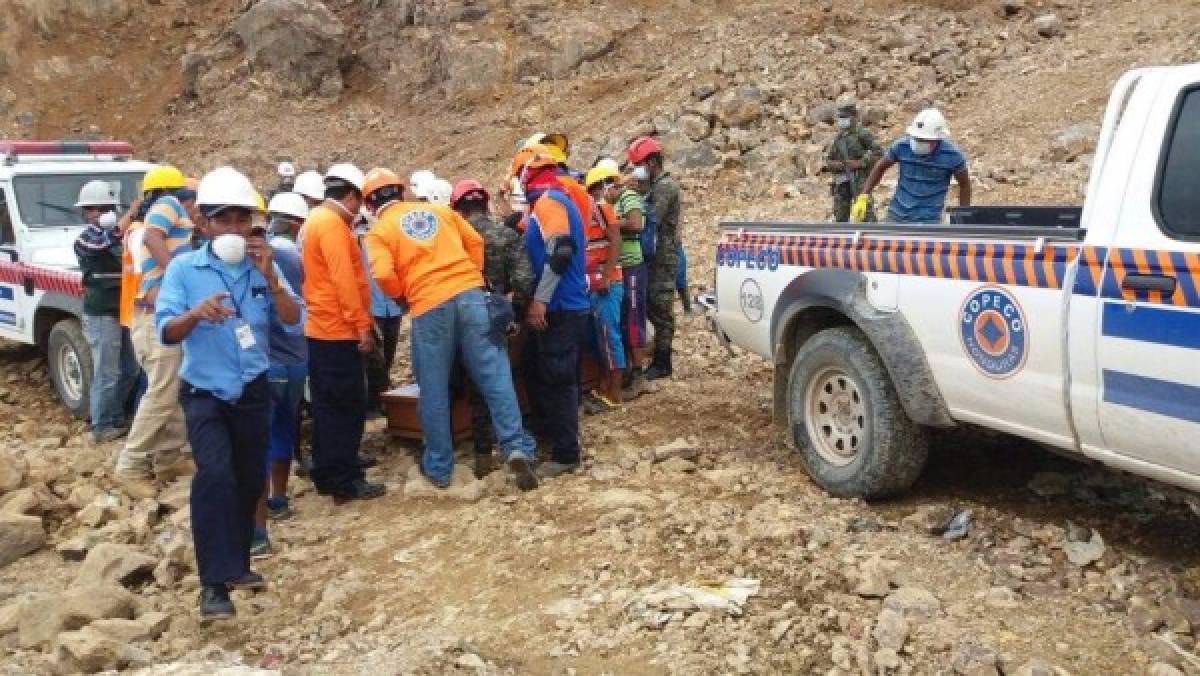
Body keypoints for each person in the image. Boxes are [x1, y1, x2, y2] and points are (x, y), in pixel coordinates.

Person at [155, 166, 304, 619]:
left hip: (253, 389)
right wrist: (196, 314)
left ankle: (238, 564)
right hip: (206, 393)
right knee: (213, 478)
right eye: (225, 219)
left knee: (247, 478)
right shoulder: (184, 269)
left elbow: (291, 318)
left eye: (243, 220)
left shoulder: (263, 266)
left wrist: (273, 278)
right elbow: (166, 330)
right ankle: (212, 584)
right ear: (203, 223)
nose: (236, 229)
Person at [363, 168, 539, 491]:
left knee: (433, 388)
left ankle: (440, 467)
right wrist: (470, 276)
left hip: (429, 304)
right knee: (495, 375)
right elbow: (475, 242)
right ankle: (517, 447)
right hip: (471, 294)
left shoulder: (378, 233)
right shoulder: (440, 211)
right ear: (401, 193)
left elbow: (385, 276)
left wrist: (404, 294)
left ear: (371, 205)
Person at [300, 163, 386, 503]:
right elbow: (344, 281)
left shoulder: (316, 221)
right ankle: (344, 478)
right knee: (345, 406)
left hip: (324, 328)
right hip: (337, 329)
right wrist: (361, 326)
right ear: (350, 196)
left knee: (328, 404)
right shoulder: (332, 226)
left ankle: (330, 467)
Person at [114, 165, 197, 498]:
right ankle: (130, 465)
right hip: (154, 319)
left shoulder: (140, 224)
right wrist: (180, 273)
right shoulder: (169, 206)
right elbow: (154, 237)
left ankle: (169, 458)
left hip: (147, 318)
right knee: (161, 395)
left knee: (169, 389)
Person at [450, 179, 534, 478]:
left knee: (475, 385)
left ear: (457, 210)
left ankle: (483, 454)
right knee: (506, 381)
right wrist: (511, 307)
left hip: (464, 317)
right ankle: (517, 444)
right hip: (502, 318)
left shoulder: (453, 241)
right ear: (485, 204)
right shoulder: (506, 235)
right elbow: (525, 280)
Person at [518, 153, 590, 479]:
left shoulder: (549, 203)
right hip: (565, 304)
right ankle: (552, 436)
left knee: (559, 379)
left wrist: (540, 301)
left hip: (560, 307)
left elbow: (560, 251)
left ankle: (565, 454)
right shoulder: (555, 201)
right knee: (543, 371)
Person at [249, 192, 310, 559]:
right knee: (282, 429)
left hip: (273, 362)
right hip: (289, 358)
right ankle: (278, 500)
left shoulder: (274, 261)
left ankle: (259, 524)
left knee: (267, 434)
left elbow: (292, 314)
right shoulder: (283, 256)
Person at [74, 180, 137, 442]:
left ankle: (116, 415)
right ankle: (101, 426)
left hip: (121, 310)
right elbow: (102, 242)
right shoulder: (86, 238)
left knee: (130, 368)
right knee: (106, 372)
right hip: (101, 314)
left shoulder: (122, 238)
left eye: (106, 208)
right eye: (95, 209)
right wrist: (130, 213)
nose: (101, 214)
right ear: (86, 213)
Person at [627, 136, 683, 381]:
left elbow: (651, 217)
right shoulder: (653, 186)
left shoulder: (665, 187)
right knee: (650, 304)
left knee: (661, 308)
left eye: (639, 164)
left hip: (663, 258)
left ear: (651, 163)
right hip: (653, 257)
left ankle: (663, 361)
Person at [858, 108, 972, 224]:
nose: (918, 143)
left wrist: (963, 216)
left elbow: (964, 184)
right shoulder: (902, 146)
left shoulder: (952, 156)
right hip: (896, 215)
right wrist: (863, 196)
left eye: (924, 140)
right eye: (916, 138)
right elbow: (880, 167)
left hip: (929, 221)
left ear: (938, 139)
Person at [582, 165, 626, 411]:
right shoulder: (590, 210)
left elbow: (616, 240)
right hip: (594, 282)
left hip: (606, 283)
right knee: (600, 337)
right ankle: (605, 385)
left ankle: (616, 392)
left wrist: (607, 275)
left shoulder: (602, 209)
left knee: (610, 336)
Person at [358, 208, 405, 418]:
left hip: (392, 307)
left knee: (387, 356)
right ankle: (375, 401)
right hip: (373, 308)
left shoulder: (385, 242)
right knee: (373, 358)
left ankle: (382, 399)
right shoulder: (353, 247)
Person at [610, 167, 650, 399]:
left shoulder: (629, 197)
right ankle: (629, 372)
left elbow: (636, 224)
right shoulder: (619, 200)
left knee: (634, 318)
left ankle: (638, 375)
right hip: (622, 267)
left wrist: (612, 224)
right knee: (625, 318)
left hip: (633, 265)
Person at [825, 98, 882, 223]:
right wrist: (835, 165)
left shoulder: (862, 134)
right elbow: (829, 159)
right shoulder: (839, 138)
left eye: (845, 117)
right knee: (840, 215)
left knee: (865, 213)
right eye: (840, 117)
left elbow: (878, 152)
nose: (842, 121)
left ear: (854, 117)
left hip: (860, 180)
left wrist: (861, 162)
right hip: (842, 182)